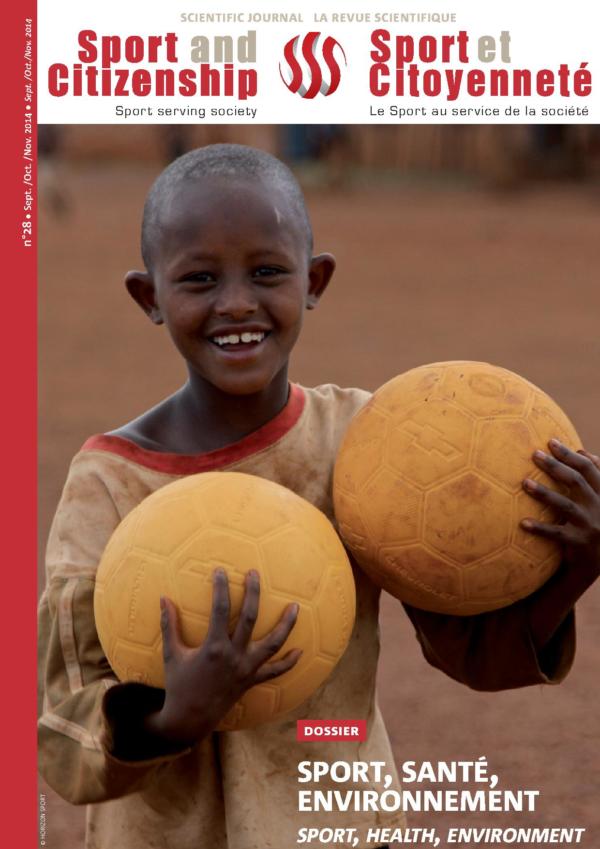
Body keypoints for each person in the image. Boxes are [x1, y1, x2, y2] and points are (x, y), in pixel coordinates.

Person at [38, 144, 600, 849]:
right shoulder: (111, 479)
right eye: (200, 278)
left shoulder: (367, 445)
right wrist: (171, 718)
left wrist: (574, 568)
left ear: (315, 279)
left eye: (267, 272)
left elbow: (473, 656)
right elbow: (64, 731)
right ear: (149, 297)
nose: (236, 302)